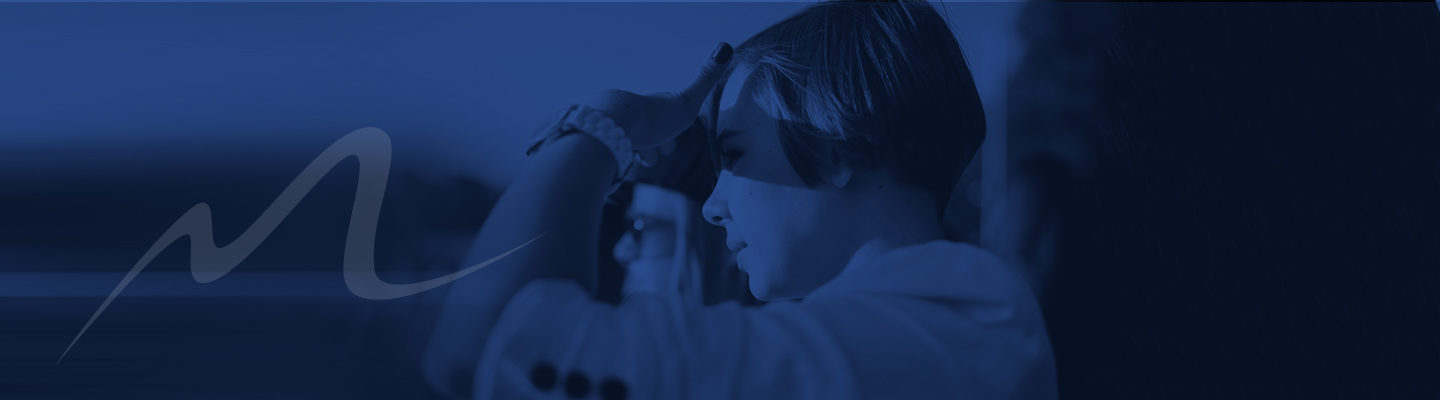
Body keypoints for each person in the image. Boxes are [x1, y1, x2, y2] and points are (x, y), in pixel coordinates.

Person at [423, 1, 1057, 399]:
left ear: (837, 145)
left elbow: (484, 348)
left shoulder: (954, 322)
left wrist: (602, 124)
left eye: (734, 156)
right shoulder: (934, 323)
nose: (711, 205)